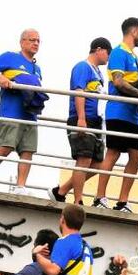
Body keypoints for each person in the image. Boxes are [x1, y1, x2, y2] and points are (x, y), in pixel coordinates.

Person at [94, 17, 138, 212]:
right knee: (113, 152)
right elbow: (118, 82)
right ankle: (100, 197)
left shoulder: (134, 56)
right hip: (118, 111)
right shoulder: (119, 52)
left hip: (133, 114)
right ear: (134, 31)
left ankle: (122, 201)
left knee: (137, 156)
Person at [49, 38, 112, 204]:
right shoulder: (83, 67)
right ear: (98, 49)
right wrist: (81, 118)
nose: (108, 57)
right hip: (83, 118)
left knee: (97, 164)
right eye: (107, 53)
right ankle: (78, 200)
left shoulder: (98, 73)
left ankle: (61, 191)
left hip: (97, 121)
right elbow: (79, 92)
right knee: (83, 159)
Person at [0, 29, 44, 192]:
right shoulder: (10, 56)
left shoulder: (37, 68)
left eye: (38, 41)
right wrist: (1, 78)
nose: (36, 43)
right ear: (22, 42)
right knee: (6, 146)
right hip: (11, 111)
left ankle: (20, 186)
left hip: (30, 115)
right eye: (32, 40)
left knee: (28, 150)